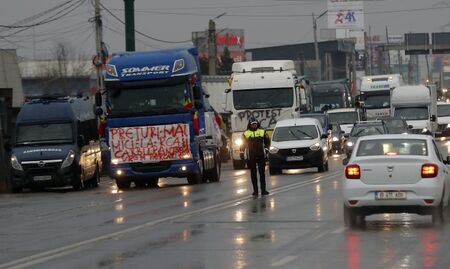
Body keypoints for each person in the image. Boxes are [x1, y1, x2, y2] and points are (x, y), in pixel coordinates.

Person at [242, 117, 270, 196]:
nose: (254, 125)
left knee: (262, 173)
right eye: (252, 124)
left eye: (255, 124)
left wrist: (266, 149)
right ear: (250, 125)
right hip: (251, 156)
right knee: (253, 174)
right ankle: (255, 191)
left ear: (257, 124)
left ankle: (263, 190)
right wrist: (241, 153)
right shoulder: (245, 133)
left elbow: (267, 141)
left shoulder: (262, 131)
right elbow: (243, 144)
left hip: (261, 155)